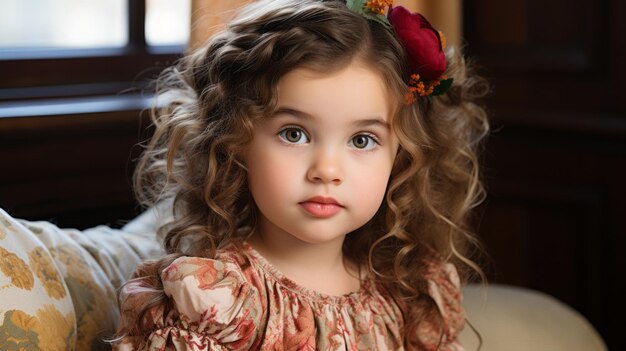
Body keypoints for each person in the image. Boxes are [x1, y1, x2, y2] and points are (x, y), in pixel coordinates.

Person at [112, 0, 489, 349]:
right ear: (236, 141)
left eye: (362, 140)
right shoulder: (210, 301)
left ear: (401, 158)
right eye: (294, 134)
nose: (327, 170)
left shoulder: (411, 296)